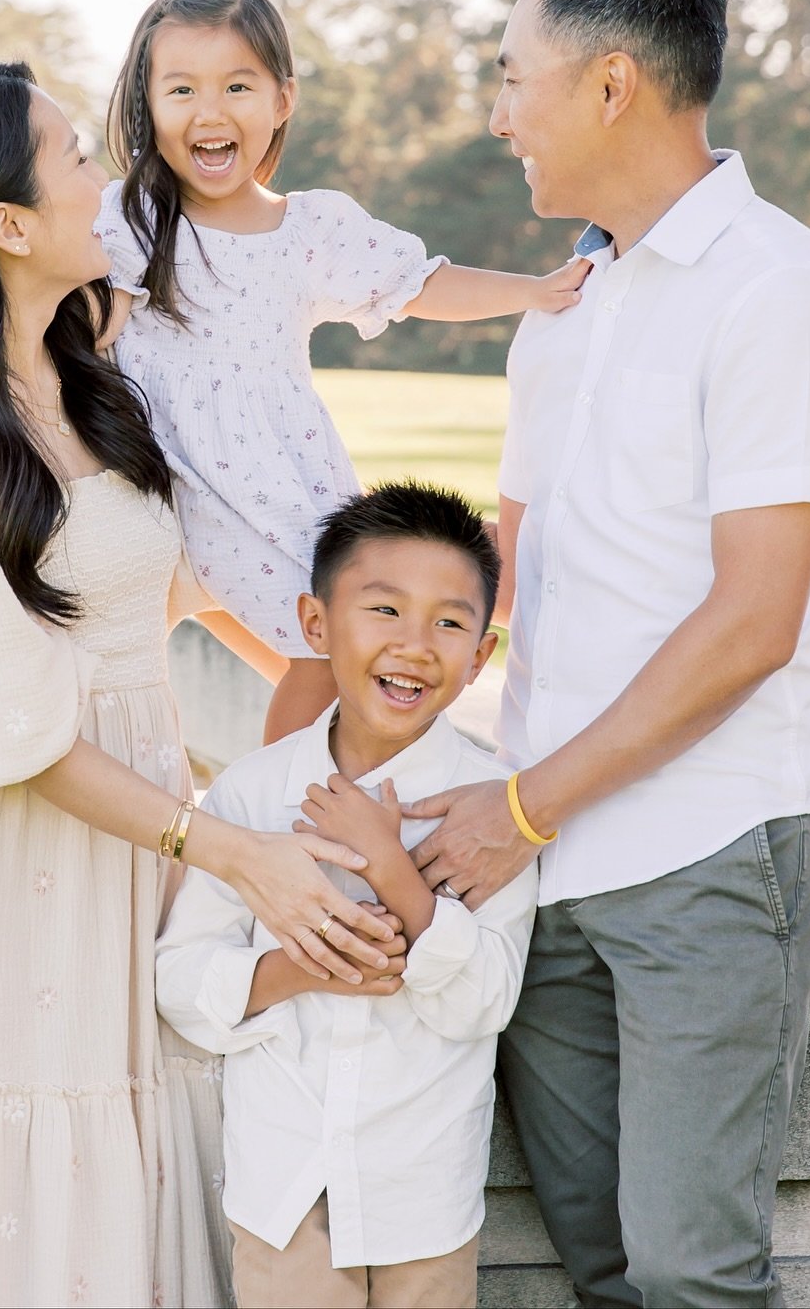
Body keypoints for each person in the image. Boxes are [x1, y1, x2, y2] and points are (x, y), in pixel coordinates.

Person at [0, 61, 397, 1309]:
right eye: (74, 153)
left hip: (136, 853)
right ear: (8, 226)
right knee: (15, 1195)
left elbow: (162, 596)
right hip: (8, 875)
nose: (107, 175)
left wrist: (366, 674)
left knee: (138, 1161)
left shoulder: (91, 387)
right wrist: (230, 850)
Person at [405, 0, 810, 1308]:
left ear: (611, 83)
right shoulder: (568, 305)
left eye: (512, 78)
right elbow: (504, 574)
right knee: (603, 1265)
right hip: (549, 856)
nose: (498, 115)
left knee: (688, 1277)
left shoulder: (778, 289)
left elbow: (753, 624)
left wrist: (527, 809)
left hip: (715, 848)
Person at [95, 0, 589, 744]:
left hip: (277, 492)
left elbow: (422, 283)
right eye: (181, 88)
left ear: (283, 99)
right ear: (146, 102)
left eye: (237, 85)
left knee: (343, 662)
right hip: (182, 491)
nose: (211, 111)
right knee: (328, 658)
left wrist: (536, 291)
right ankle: (279, 812)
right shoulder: (127, 221)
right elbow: (67, 323)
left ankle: (305, 812)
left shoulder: (309, 228)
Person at [155, 482, 538, 1309]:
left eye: (449, 622)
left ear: (480, 656)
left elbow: (486, 1002)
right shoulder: (251, 796)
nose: (415, 645)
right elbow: (180, 983)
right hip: (284, 1187)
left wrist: (394, 874)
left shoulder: (489, 810)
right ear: (317, 624)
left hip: (424, 1194)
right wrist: (303, 966)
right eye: (384, 611)